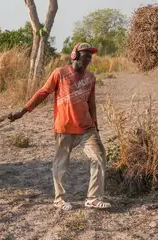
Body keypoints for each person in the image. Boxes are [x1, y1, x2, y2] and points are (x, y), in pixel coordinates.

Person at [8, 42, 111, 211]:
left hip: (87, 127)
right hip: (64, 128)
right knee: (61, 164)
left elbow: (92, 104)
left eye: (90, 56)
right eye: (85, 55)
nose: (88, 59)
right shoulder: (60, 74)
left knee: (99, 156)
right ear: (74, 55)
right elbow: (43, 92)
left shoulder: (91, 78)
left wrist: (96, 126)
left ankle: (93, 198)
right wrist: (24, 111)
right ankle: (59, 199)